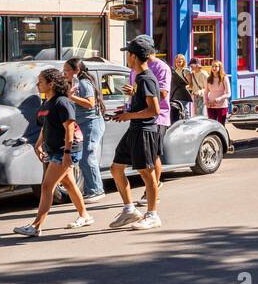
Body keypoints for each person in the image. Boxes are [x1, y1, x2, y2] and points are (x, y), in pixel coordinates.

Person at [13, 67, 92, 237]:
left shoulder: (62, 102)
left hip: (66, 149)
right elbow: (45, 127)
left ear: (51, 84)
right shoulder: (46, 103)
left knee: (47, 186)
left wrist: (67, 152)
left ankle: (36, 226)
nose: (37, 84)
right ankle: (85, 215)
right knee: (69, 184)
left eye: (41, 81)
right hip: (55, 148)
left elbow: (69, 128)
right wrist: (38, 144)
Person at [110, 39, 164, 231]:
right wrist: (126, 110)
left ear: (133, 56)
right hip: (135, 128)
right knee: (116, 168)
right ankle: (129, 210)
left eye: (128, 54)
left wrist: (128, 115)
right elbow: (142, 105)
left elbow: (154, 110)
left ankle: (152, 215)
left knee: (147, 174)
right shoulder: (139, 78)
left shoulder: (146, 79)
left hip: (145, 131)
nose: (127, 57)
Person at [122, 35, 170, 208]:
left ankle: (152, 192)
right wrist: (133, 94)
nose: (128, 55)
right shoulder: (134, 70)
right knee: (123, 164)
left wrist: (140, 90)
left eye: (130, 51)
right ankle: (148, 193)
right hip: (139, 116)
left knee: (152, 156)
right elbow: (137, 93)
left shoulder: (159, 67)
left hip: (158, 117)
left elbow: (162, 94)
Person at [64, 57, 105, 202]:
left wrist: (72, 97)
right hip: (83, 124)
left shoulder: (84, 83)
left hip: (91, 123)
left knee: (87, 154)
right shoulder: (75, 83)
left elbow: (90, 103)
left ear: (77, 70)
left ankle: (96, 190)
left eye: (67, 70)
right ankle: (90, 189)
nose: (65, 73)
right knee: (84, 156)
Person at [170, 54, 193, 123]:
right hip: (175, 94)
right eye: (177, 62)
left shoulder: (186, 71)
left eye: (180, 61)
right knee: (177, 110)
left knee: (185, 110)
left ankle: (189, 125)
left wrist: (185, 87)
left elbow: (191, 85)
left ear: (183, 62)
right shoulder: (175, 70)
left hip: (183, 94)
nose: (178, 63)